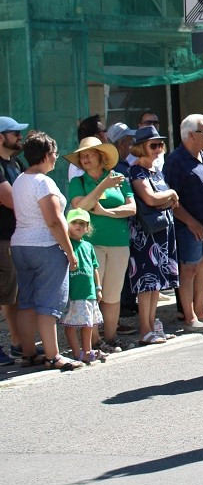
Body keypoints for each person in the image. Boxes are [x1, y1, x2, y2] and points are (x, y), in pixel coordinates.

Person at [11, 132, 83, 370]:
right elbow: (53, 220)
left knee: (27, 302)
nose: (56, 158)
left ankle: (29, 353)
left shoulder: (21, 179)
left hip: (21, 244)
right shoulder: (43, 182)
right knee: (49, 305)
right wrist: (70, 251)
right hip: (45, 246)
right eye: (54, 153)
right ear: (45, 155)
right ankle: (54, 356)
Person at [65, 136, 135, 352]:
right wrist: (103, 185)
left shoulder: (120, 178)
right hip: (90, 244)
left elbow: (132, 209)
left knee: (113, 295)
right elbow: (82, 207)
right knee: (93, 294)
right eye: (81, 156)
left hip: (119, 242)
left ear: (101, 156)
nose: (84, 159)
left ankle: (110, 338)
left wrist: (106, 212)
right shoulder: (78, 182)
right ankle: (95, 341)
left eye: (89, 154)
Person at [164, 114, 203, 332]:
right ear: (191, 135)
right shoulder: (176, 161)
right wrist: (191, 222)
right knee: (189, 268)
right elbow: (171, 199)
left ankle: (200, 311)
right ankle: (189, 316)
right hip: (189, 227)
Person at [127, 126, 180, 344]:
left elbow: (165, 201)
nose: (158, 149)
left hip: (161, 231)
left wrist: (165, 198)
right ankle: (145, 329)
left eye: (160, 144)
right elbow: (150, 198)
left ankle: (151, 326)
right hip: (145, 234)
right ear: (141, 148)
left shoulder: (155, 172)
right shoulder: (136, 171)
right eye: (153, 145)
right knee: (145, 282)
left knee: (156, 283)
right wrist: (170, 193)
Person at [60, 209, 105, 365]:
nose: (78, 226)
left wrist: (98, 287)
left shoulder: (88, 246)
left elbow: (94, 267)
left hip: (88, 292)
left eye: (82, 223)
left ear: (87, 228)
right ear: (67, 225)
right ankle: (75, 351)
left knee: (88, 323)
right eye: (74, 223)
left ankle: (87, 350)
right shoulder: (65, 243)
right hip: (73, 291)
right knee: (71, 323)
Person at [0, 116, 28, 366]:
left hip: (16, 235)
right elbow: (10, 199)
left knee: (13, 294)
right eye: (14, 133)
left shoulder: (16, 163)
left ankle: (19, 343)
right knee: (3, 293)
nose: (19, 137)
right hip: (2, 238)